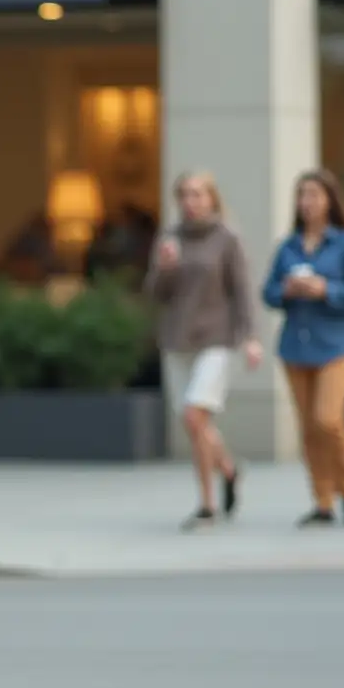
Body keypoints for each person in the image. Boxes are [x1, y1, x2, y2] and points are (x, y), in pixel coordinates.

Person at [262, 169, 344, 527]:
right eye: (302, 195)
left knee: (328, 420)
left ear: (330, 200)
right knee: (309, 428)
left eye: (314, 195)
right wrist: (287, 290)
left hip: (337, 344)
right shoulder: (289, 246)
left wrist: (326, 290)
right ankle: (322, 501)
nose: (307, 202)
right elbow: (267, 292)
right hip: (296, 346)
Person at [144, 171, 261, 530]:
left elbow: (242, 291)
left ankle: (207, 506)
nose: (190, 202)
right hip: (178, 341)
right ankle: (228, 469)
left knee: (196, 417)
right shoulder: (170, 238)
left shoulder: (227, 238)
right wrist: (164, 269)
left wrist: (250, 337)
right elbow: (155, 294)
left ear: (212, 198)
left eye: (197, 194)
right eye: (183, 195)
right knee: (195, 425)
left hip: (216, 339)